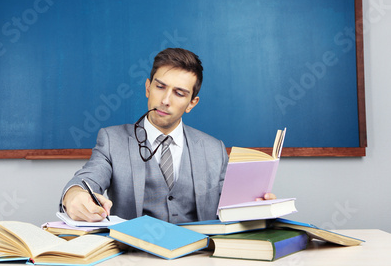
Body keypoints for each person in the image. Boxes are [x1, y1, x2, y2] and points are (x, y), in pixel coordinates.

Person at [60, 48, 274, 224]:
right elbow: (86, 178)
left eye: (179, 93)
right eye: (160, 87)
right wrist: (74, 196)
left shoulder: (214, 149)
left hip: (198, 257)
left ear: (192, 103)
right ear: (147, 88)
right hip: (134, 257)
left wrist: (255, 207)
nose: (165, 100)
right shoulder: (111, 140)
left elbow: (230, 209)